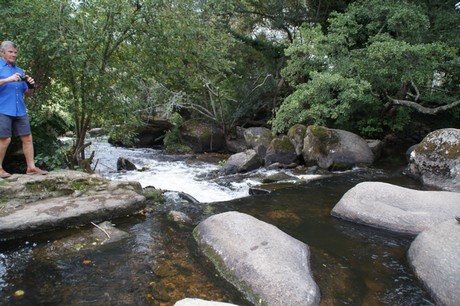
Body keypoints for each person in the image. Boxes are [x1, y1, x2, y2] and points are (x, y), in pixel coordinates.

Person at [0, 40, 48, 178]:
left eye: (15, 52)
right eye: (10, 52)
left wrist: (31, 86)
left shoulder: (19, 70)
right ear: (2, 52)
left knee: (27, 137)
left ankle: (31, 167)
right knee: (5, 139)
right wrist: (8, 79)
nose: (14, 55)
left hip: (19, 109)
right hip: (2, 108)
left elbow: (27, 93)